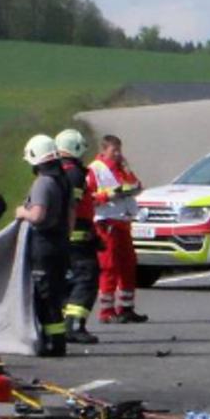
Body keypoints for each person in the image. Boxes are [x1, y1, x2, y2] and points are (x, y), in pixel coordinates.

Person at [16, 135, 73, 357]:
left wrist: (22, 212)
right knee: (55, 295)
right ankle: (56, 341)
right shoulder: (64, 181)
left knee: (44, 296)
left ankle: (51, 343)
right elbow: (71, 214)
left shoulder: (43, 183)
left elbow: (37, 215)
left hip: (44, 245)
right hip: (60, 243)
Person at [87, 135, 145, 324]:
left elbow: (137, 187)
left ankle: (126, 308)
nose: (118, 154)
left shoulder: (121, 168)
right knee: (109, 267)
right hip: (107, 224)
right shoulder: (94, 169)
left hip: (123, 222)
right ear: (103, 151)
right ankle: (107, 310)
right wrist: (110, 195)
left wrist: (128, 172)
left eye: (120, 150)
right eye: (114, 151)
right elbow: (88, 198)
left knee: (128, 264)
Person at [54, 129, 100, 344]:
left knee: (68, 282)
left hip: (62, 238)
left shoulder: (57, 171)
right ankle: (74, 325)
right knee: (86, 279)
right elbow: (73, 206)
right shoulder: (75, 174)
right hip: (77, 238)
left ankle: (65, 324)